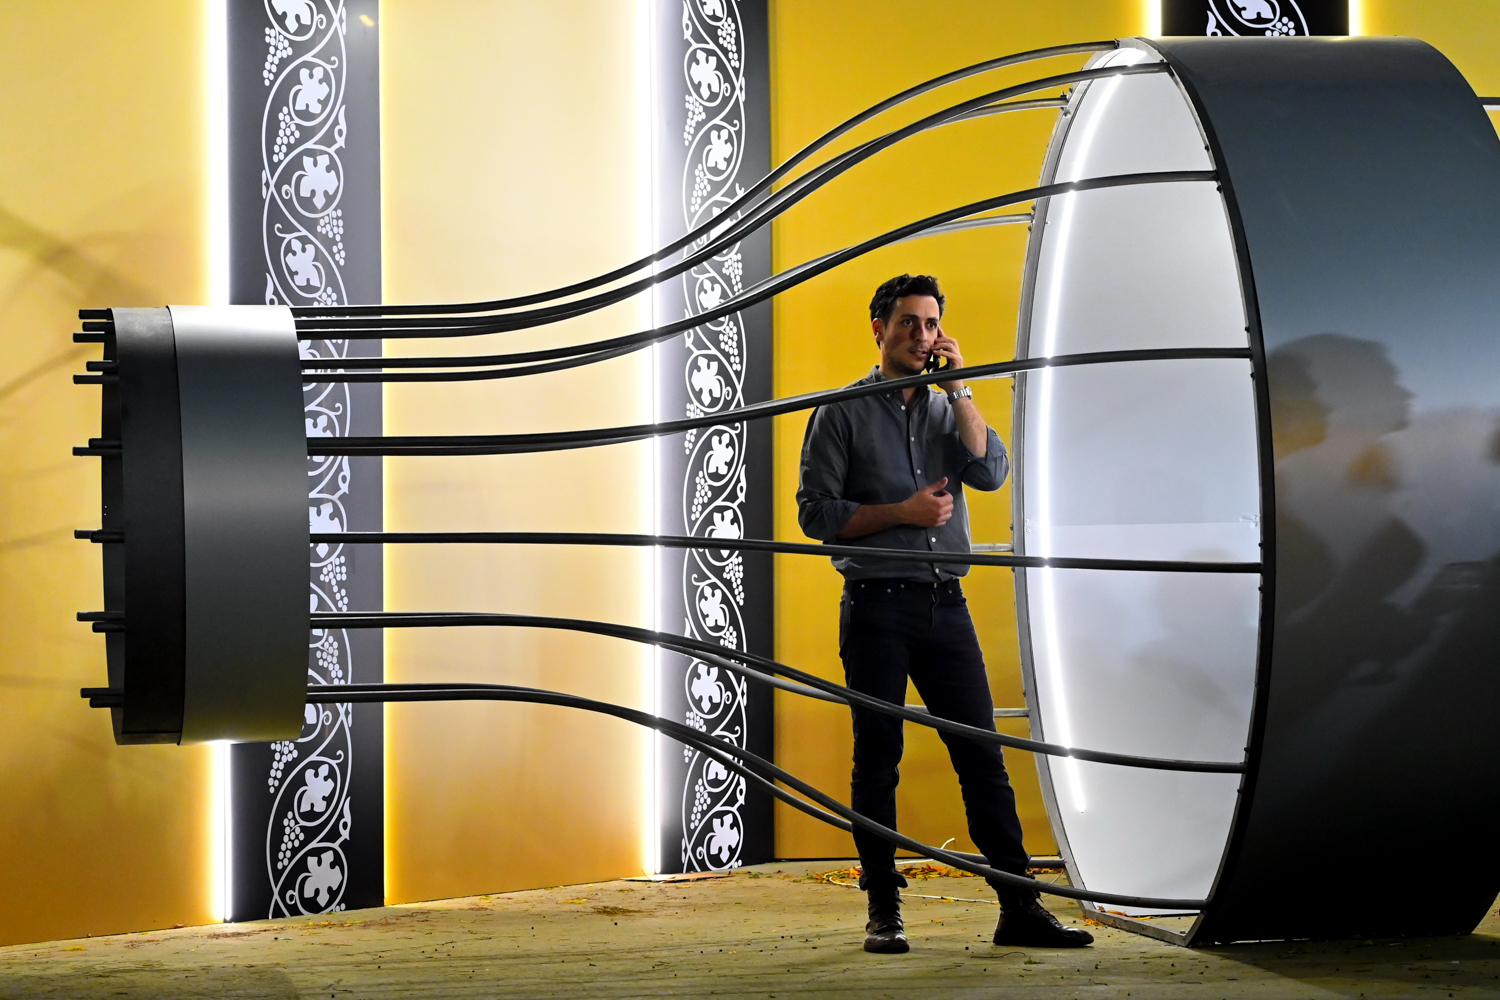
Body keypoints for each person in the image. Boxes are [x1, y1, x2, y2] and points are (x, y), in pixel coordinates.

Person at [796, 274, 1093, 954]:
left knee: (982, 757)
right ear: (879, 328)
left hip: (945, 608)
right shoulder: (839, 414)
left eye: (931, 324)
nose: (922, 336)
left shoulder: (949, 410)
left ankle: (1019, 908)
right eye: (908, 322)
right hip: (876, 608)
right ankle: (883, 911)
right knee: (878, 760)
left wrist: (960, 389)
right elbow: (815, 514)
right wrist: (902, 513)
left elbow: (990, 472)